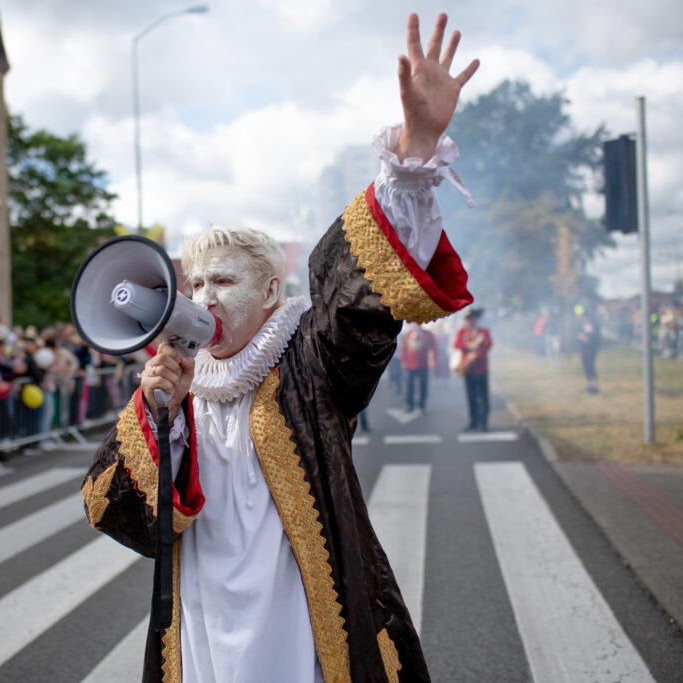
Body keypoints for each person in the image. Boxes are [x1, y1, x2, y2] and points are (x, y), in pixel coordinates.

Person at [82, 13, 477, 681]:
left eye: (224, 280)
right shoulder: (178, 380)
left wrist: (414, 152)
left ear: (269, 289)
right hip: (203, 603)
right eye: (197, 280)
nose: (205, 295)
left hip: (297, 598)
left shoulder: (310, 356)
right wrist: (158, 417)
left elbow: (356, 291)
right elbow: (113, 506)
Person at [453, 308, 492, 431]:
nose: (469, 322)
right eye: (468, 319)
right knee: (471, 397)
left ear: (476, 320)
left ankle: (483, 423)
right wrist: (470, 346)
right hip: (467, 369)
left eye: (472, 319)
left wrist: (475, 355)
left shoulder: (484, 331)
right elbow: (457, 344)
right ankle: (473, 422)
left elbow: (488, 345)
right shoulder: (462, 332)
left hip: (481, 369)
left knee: (483, 398)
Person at [400, 324, 438, 413]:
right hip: (410, 364)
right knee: (410, 386)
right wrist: (403, 360)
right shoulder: (408, 333)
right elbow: (404, 348)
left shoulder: (428, 334)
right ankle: (410, 404)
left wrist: (434, 359)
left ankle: (422, 404)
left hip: (423, 364)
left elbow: (434, 347)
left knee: (423, 386)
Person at [576, 308, 601, 394]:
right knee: (586, 366)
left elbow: (596, 337)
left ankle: (595, 385)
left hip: (591, 349)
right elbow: (577, 337)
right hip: (584, 349)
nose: (584, 319)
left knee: (591, 366)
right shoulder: (580, 326)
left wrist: (586, 337)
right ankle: (589, 384)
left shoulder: (593, 326)